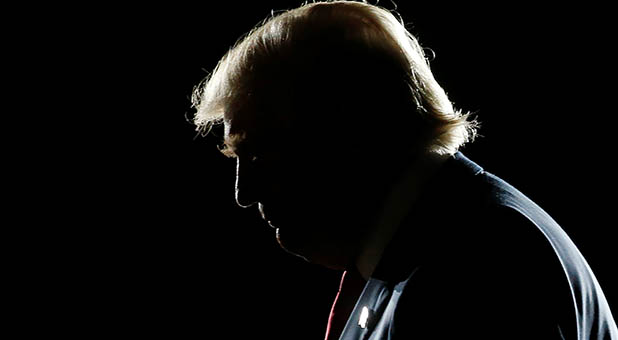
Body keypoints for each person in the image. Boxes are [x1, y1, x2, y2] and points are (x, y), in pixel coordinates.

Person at [191, 1, 617, 339]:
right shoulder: (432, 244)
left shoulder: (476, 274)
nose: (244, 193)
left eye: (261, 154)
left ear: (353, 131)